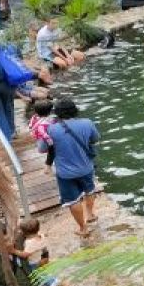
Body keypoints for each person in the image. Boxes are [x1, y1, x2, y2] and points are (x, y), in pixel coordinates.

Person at [46, 97, 100, 238]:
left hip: (65, 173)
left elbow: (42, 148)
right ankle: (90, 214)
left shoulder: (51, 128)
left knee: (73, 200)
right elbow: (95, 139)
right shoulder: (87, 123)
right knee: (89, 190)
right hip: (86, 168)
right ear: (74, 110)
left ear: (57, 113)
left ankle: (83, 228)